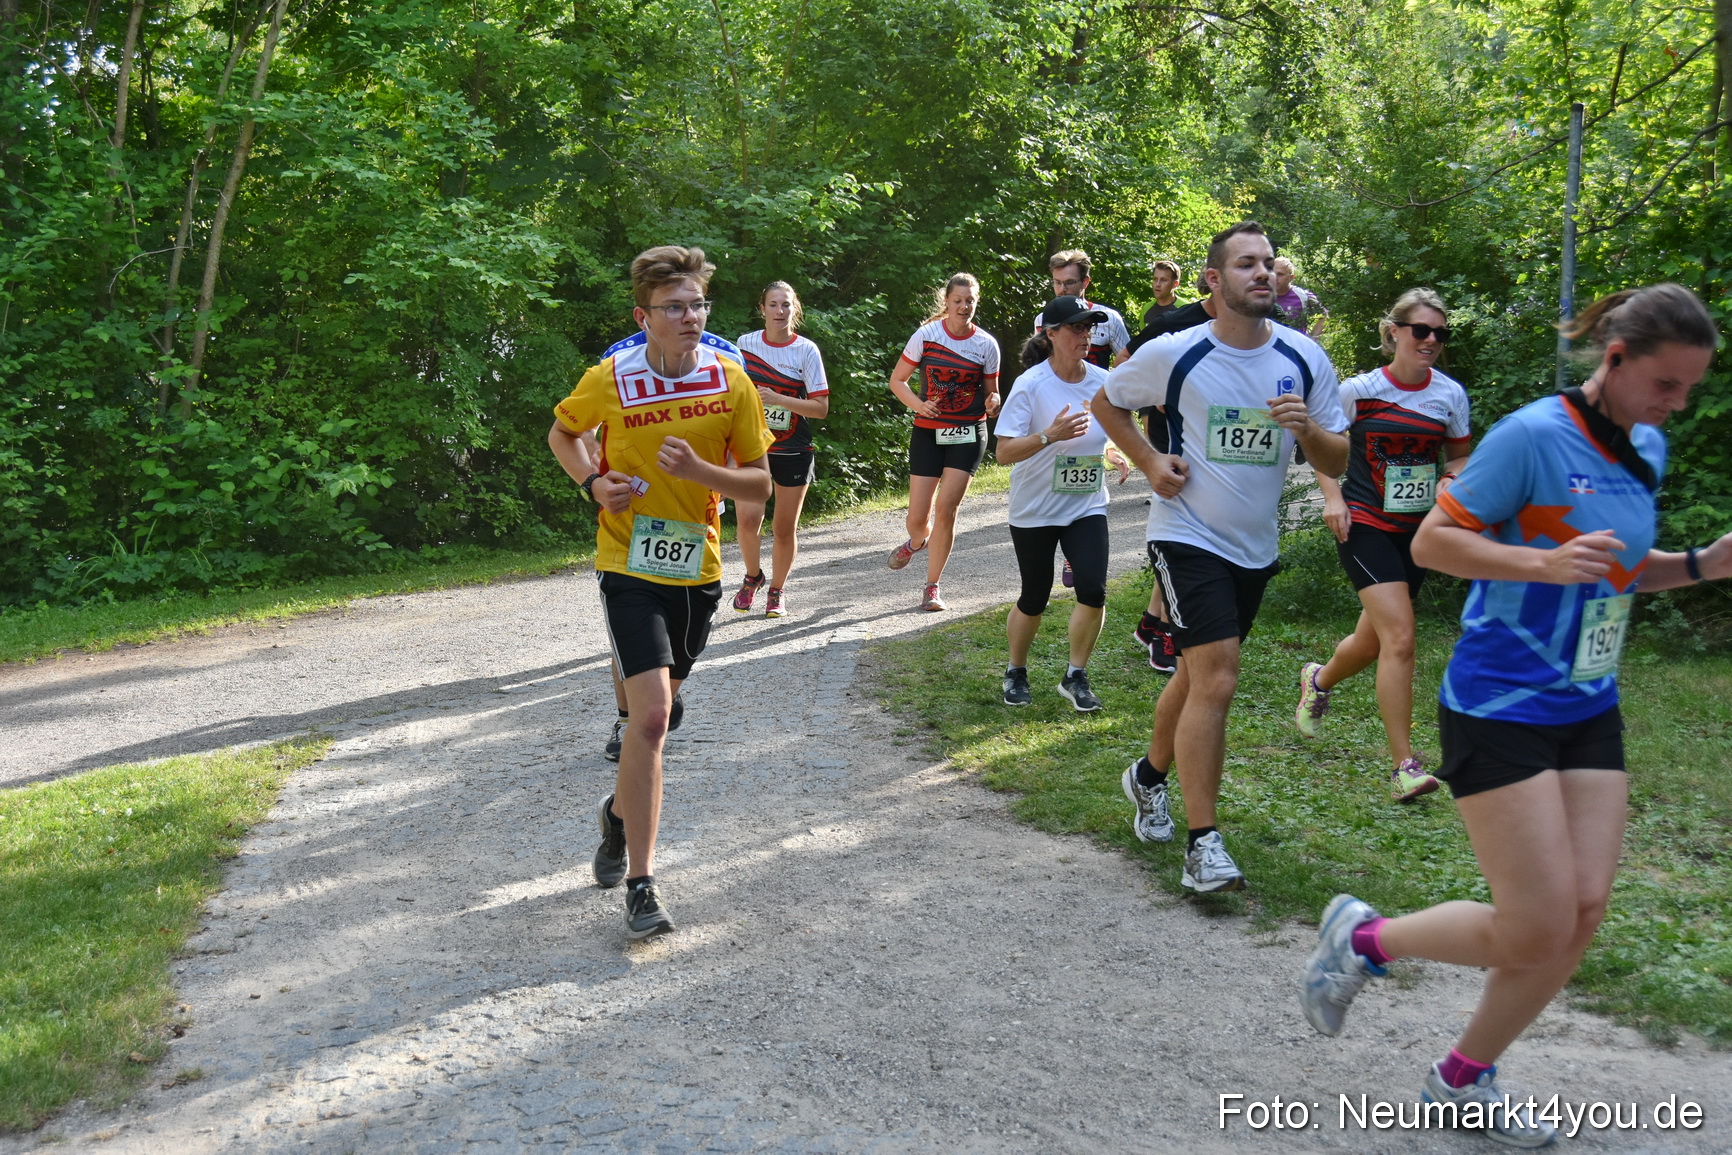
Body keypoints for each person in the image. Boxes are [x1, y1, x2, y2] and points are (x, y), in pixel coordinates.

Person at [1299, 283, 1725, 1146]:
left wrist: (1704, 563)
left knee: (1585, 908)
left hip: (1588, 700)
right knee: (1535, 923)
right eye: (1666, 384)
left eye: (1690, 388)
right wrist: (1541, 563)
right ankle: (1367, 939)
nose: (1676, 404)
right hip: (1499, 699)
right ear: (1615, 359)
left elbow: (1618, 566)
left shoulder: (1645, 444)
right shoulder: (1533, 435)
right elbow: (1433, 542)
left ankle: (1462, 1077)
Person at [1094, 220, 1349, 890]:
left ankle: (1147, 777)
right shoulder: (1176, 352)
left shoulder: (1303, 358)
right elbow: (1108, 401)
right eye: (1245, 264)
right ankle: (1203, 846)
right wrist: (1149, 460)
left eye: (1268, 262)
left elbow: (1338, 458)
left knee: (1195, 675)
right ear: (1214, 279)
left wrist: (1307, 429)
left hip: (1253, 547)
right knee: (1219, 677)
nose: (1262, 272)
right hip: (1186, 534)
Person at [548, 245, 773, 940]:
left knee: (661, 718)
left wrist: (705, 471)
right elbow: (564, 433)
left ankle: (618, 817)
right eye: (674, 307)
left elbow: (759, 483)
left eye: (698, 304)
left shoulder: (730, 380)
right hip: (627, 563)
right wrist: (593, 483)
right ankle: (642, 886)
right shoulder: (610, 378)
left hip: (696, 571)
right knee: (649, 718)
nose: (690, 317)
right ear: (642, 316)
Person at [1294, 289, 1472, 802]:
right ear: (1394, 332)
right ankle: (1403, 767)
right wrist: (1333, 499)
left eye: (1441, 333)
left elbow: (1459, 456)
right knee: (1401, 638)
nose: (1432, 340)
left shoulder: (1449, 394)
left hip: (1417, 532)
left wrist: (1451, 479)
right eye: (1422, 330)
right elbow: (1324, 450)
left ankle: (1318, 679)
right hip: (1364, 523)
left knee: (1372, 641)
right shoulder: (1360, 390)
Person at [994, 296, 1131, 711]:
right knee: (1034, 595)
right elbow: (1003, 452)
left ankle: (1076, 675)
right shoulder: (1031, 384)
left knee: (1093, 590)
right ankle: (1016, 670)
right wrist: (1049, 436)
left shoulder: (1103, 382)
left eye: (1088, 328)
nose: (1085, 335)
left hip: (1086, 505)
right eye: (1075, 328)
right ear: (1050, 335)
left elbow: (1109, 430)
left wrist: (1112, 452)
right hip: (1035, 508)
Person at [886, 273, 1002, 612]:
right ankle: (916, 541)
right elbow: (897, 381)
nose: (964, 306)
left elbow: (992, 392)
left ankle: (932, 586)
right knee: (917, 519)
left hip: (968, 432)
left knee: (946, 510)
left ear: (976, 303)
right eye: (958, 301)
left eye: (970, 301)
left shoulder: (986, 344)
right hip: (929, 432)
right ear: (947, 302)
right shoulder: (927, 335)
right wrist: (918, 405)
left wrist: (994, 402)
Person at [1125, 272, 1222, 676]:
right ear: (1214, 280)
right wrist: (1158, 393)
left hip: (1218, 443)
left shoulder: (1253, 329)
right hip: (1176, 443)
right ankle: (1167, 632)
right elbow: (1123, 365)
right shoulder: (1174, 323)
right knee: (1184, 538)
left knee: (1200, 531)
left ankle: (1152, 620)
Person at [731, 282, 829, 618]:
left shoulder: (806, 350)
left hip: (793, 448)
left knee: (783, 528)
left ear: (794, 308)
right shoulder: (745, 345)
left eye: (786, 305)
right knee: (748, 522)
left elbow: (820, 408)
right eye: (773, 305)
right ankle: (752, 577)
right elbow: (733, 395)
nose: (780, 311)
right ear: (762, 309)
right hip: (752, 447)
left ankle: (777, 591)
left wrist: (778, 399)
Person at [1034, 250, 1131, 370]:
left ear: (1085, 282)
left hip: (1097, 381)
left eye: (1069, 282)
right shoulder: (1042, 319)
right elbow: (1038, 363)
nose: (1062, 289)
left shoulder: (1110, 318)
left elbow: (1129, 364)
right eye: (1057, 282)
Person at [1273, 256, 1327, 337]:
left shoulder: (1302, 296)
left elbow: (1324, 316)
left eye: (1280, 274)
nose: (1275, 278)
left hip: (1295, 343)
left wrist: (1314, 338)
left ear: (1291, 278)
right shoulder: (1261, 295)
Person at [1142, 259, 1182, 327]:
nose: (1157, 284)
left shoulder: (1185, 308)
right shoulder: (1146, 309)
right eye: (1155, 279)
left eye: (1163, 280)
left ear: (1175, 284)